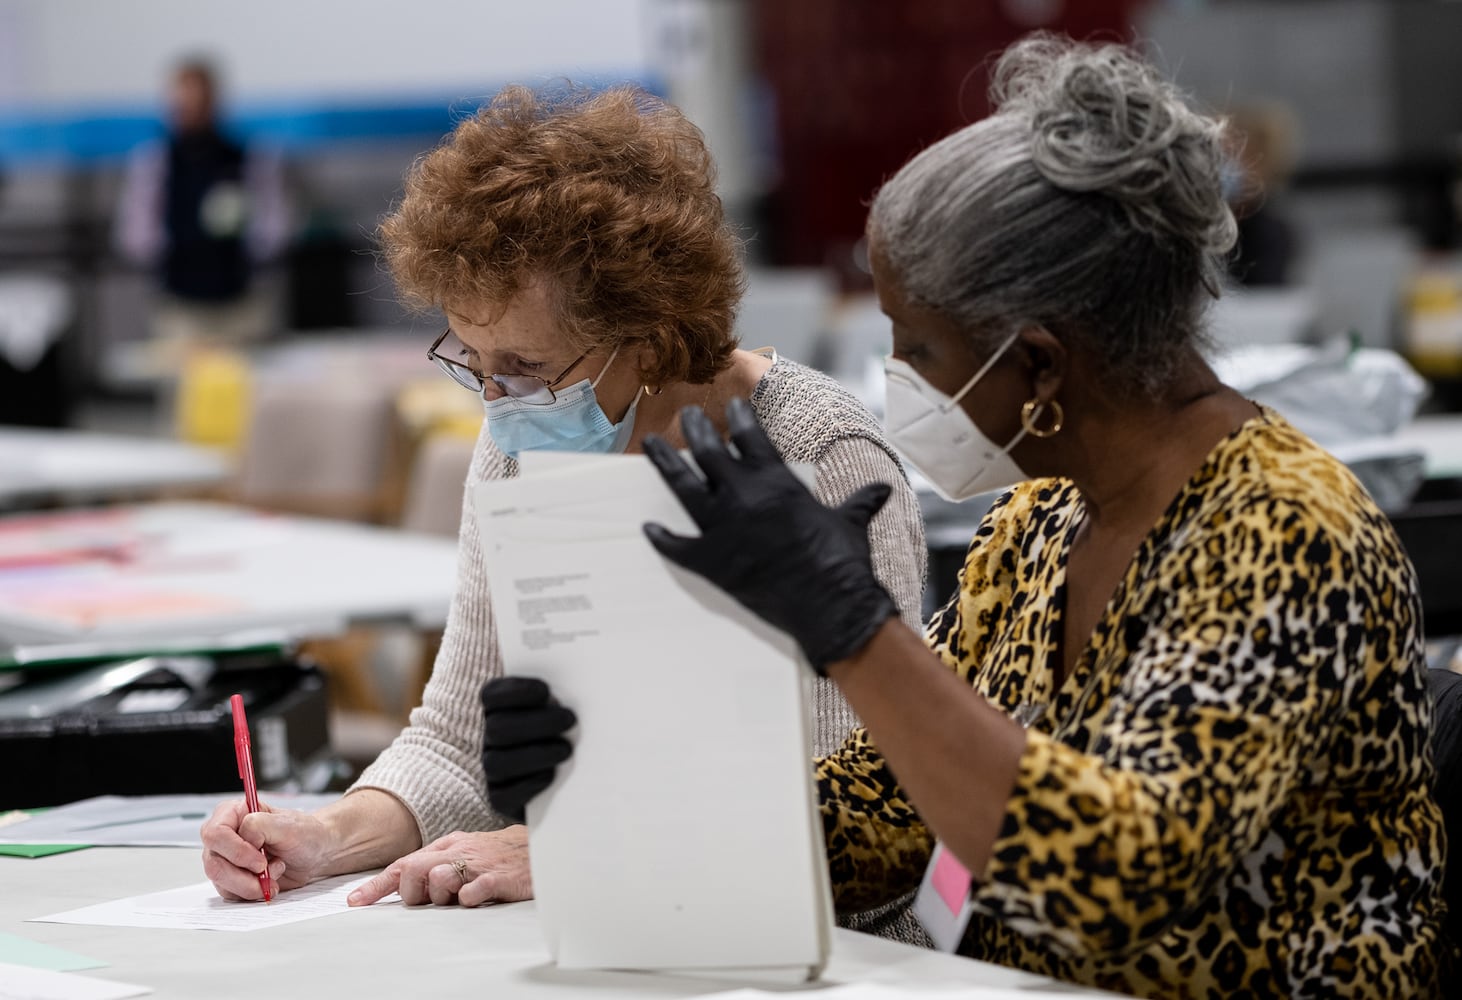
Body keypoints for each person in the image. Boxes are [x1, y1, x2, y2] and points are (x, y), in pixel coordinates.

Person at [482, 37, 1445, 997]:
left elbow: (1119, 881)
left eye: (922, 348)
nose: (898, 381)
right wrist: (610, 799)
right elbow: (885, 815)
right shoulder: (1036, 524)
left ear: (1041, 364)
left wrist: (852, 630)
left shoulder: (1286, 529)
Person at [199, 85, 928, 931]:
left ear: (650, 334)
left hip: (827, 949)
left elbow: (868, 815)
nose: (498, 401)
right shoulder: (523, 448)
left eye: (525, 367)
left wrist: (585, 849)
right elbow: (455, 739)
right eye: (472, 362)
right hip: (614, 926)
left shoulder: (822, 459)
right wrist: (324, 835)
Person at [114, 57, 289, 356]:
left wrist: (244, 253)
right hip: (181, 307)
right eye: (185, 103)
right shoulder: (154, 162)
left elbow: (275, 225)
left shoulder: (249, 158)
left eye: (200, 102)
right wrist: (179, 250)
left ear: (214, 103)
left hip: (241, 303)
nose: (192, 111)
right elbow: (135, 235)